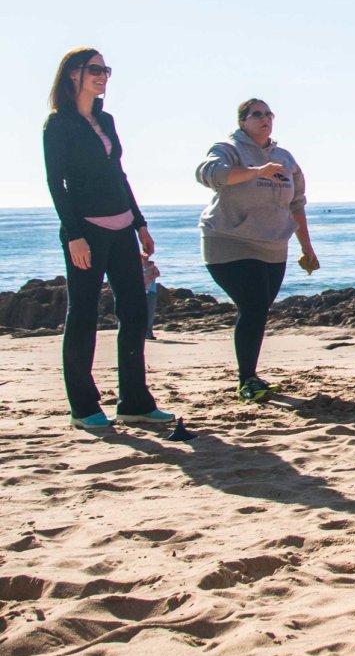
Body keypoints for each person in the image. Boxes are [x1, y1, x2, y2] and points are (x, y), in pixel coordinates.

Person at [42, 47, 173, 430]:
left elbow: (120, 174)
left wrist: (140, 222)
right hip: (87, 230)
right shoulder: (58, 124)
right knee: (82, 315)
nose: (103, 76)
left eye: (106, 70)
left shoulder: (106, 119)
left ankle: (135, 402)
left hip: (122, 228)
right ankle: (83, 408)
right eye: (95, 69)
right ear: (72, 74)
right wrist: (74, 235)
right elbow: (56, 182)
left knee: (133, 312)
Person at [195, 98, 319, 402]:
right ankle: (246, 380)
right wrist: (255, 171)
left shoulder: (285, 158)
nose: (265, 119)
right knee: (252, 306)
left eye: (268, 114)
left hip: (273, 245)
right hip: (228, 240)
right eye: (257, 114)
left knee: (259, 309)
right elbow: (209, 173)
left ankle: (251, 376)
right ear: (242, 121)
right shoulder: (229, 148)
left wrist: (307, 247)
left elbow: (297, 204)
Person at [143, 257, 161, 340]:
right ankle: (145, 333)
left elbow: (157, 273)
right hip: (142, 292)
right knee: (143, 313)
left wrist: (150, 276)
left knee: (150, 313)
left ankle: (148, 333)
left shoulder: (151, 267)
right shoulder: (136, 267)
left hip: (151, 291)